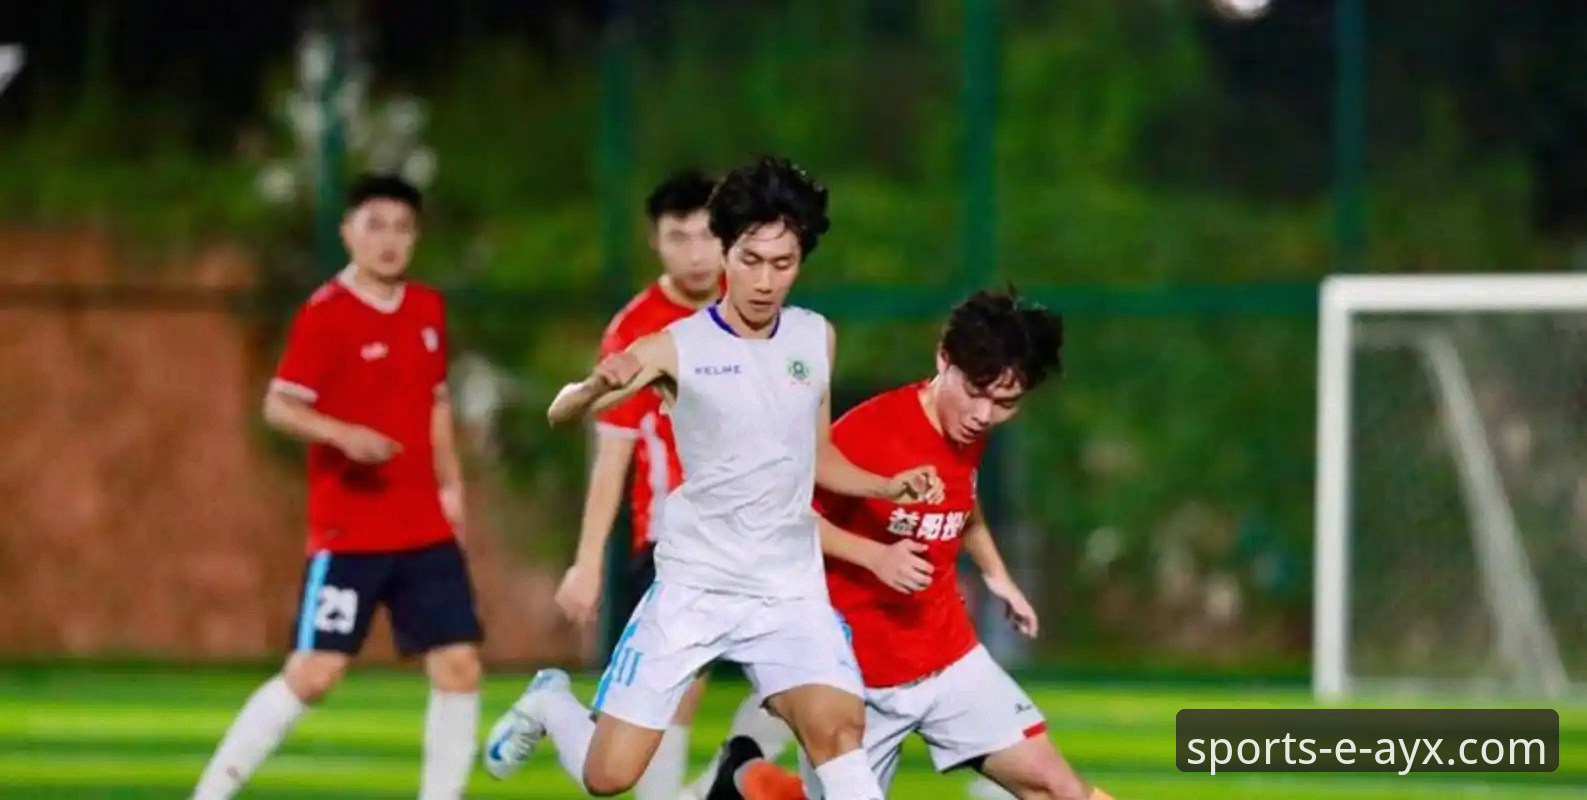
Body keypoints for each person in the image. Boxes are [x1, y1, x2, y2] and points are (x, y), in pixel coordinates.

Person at [481, 155, 942, 800]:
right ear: (726, 250)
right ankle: (554, 703)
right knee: (608, 777)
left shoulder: (815, 338)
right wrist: (593, 388)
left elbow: (818, 456)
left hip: (787, 589)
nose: (765, 280)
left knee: (840, 732)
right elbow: (561, 414)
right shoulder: (675, 345)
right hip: (696, 586)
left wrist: (885, 486)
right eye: (750, 260)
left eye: (783, 263)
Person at [700, 290, 1115, 800]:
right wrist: (874, 556)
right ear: (943, 359)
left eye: (1005, 403)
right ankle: (748, 781)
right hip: (859, 680)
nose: (984, 414)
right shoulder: (868, 434)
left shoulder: (969, 429)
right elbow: (780, 519)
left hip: (949, 658)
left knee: (1059, 789)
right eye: (976, 391)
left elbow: (963, 501)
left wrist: (997, 576)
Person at [191, 175, 483, 800]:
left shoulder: (427, 308)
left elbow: (436, 403)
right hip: (350, 530)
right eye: (374, 225)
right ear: (348, 232)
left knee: (459, 666)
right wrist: (343, 435)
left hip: (423, 526)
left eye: (401, 227)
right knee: (316, 673)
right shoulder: (326, 313)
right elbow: (279, 405)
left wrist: (451, 486)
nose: (388, 240)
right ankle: (210, 793)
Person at [555, 168, 793, 799]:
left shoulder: (758, 308)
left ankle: (717, 782)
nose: (695, 254)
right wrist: (587, 562)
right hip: (674, 539)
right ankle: (559, 710)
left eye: (706, 236)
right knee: (670, 701)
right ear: (655, 242)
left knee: (810, 682)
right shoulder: (635, 330)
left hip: (761, 535)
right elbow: (613, 453)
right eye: (677, 238)